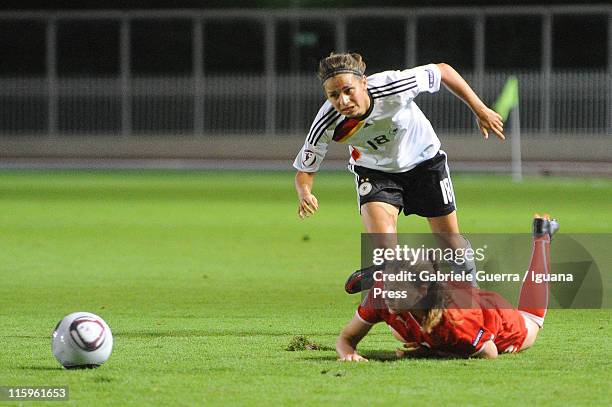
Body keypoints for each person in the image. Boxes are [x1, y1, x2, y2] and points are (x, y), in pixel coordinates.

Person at [292, 53, 505, 292]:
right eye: (334, 95)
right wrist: (305, 193)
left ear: (364, 82)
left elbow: (443, 70)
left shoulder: (393, 85)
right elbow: (305, 170)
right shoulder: (327, 120)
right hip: (375, 172)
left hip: (425, 162)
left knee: (451, 246)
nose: (343, 101)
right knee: (386, 252)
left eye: (348, 90)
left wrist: (480, 109)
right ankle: (403, 277)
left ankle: (467, 292)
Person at [335, 215, 559, 361]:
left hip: (498, 319)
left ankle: (542, 237)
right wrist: (348, 354)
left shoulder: (456, 322)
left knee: (532, 320)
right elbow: (346, 339)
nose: (389, 293)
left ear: (422, 289)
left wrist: (429, 352)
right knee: (399, 330)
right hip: (445, 304)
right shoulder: (382, 295)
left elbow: (490, 353)